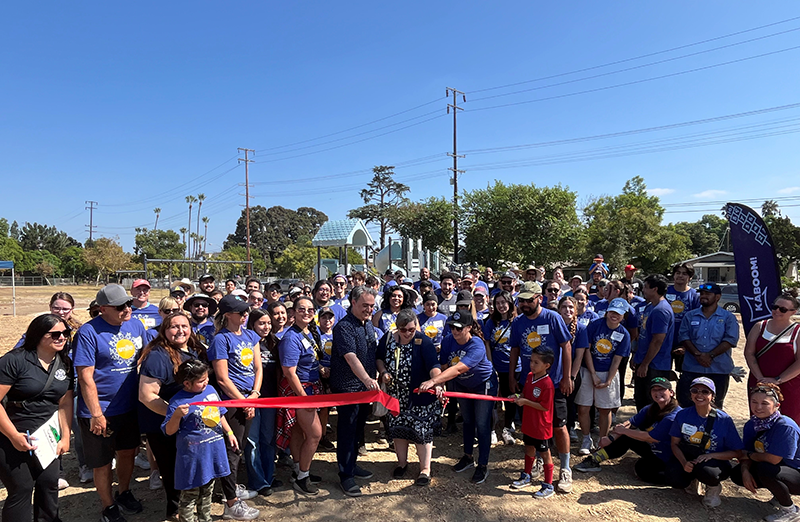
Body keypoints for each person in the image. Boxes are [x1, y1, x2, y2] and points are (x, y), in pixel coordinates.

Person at [73, 284, 147, 522]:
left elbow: (145, 357)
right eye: (120, 307)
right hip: (100, 409)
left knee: (128, 452)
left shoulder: (135, 325)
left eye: (127, 303)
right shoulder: (88, 332)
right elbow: (85, 376)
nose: (127, 309)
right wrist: (96, 413)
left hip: (129, 406)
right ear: (102, 309)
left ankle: (123, 492)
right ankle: (108, 506)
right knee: (103, 462)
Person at [0, 314, 74, 522]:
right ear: (38, 335)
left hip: (48, 436)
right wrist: (14, 436)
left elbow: (65, 402)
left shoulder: (64, 363)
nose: (62, 338)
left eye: (65, 333)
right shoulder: (14, 360)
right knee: (21, 488)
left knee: (49, 483)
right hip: (12, 434)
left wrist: (65, 437)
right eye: (55, 334)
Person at [138, 312, 205, 519]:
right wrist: (175, 414)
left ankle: (187, 506)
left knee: (185, 466)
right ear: (164, 331)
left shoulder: (192, 351)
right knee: (172, 469)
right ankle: (175, 510)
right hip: (161, 424)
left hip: (183, 424)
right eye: (174, 327)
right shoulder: (158, 356)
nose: (180, 331)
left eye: (184, 326)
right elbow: (146, 395)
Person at [509, 281, 574, 493]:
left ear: (540, 298)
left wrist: (567, 377)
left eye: (529, 300)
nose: (525, 304)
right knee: (531, 425)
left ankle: (565, 468)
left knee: (558, 425)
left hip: (553, 383)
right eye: (522, 300)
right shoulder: (518, 322)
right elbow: (515, 350)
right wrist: (512, 376)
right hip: (529, 383)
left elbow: (566, 346)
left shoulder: (553, 317)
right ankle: (535, 462)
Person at [162, 360, 247, 522]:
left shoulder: (210, 390)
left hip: (213, 452)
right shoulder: (177, 401)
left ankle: (205, 519)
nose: (206, 382)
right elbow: (169, 431)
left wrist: (229, 432)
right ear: (187, 383)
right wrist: (177, 415)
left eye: (207, 378)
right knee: (190, 494)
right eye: (201, 381)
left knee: (208, 490)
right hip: (193, 456)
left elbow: (219, 413)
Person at [420, 311, 495, 485]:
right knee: (468, 421)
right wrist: (440, 385)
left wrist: (433, 381)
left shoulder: (477, 344)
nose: (454, 331)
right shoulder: (447, 341)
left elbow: (459, 368)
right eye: (452, 327)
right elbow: (444, 365)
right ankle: (468, 457)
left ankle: (483, 464)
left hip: (483, 384)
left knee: (482, 424)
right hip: (462, 385)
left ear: (469, 328)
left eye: (459, 328)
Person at [206, 295, 261, 517]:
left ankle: (232, 485)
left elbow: (258, 367)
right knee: (232, 450)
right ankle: (231, 503)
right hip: (231, 402)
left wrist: (255, 394)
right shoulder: (221, 340)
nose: (245, 315)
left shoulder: (251, 335)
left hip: (249, 399)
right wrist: (243, 400)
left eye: (246, 311)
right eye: (241, 312)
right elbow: (222, 378)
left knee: (240, 446)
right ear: (228, 314)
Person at [376, 309, 442, 486]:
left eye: (411, 329)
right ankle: (402, 463)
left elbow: (434, 365)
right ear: (397, 328)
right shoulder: (388, 338)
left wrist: (436, 381)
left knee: (422, 433)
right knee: (398, 429)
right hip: (396, 395)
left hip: (419, 395)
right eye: (403, 330)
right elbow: (379, 358)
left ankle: (425, 469)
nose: (407, 333)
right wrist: (383, 372)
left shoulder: (423, 341)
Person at [575, 376, 681, 485]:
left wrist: (623, 431)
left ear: (671, 393)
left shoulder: (673, 416)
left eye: (662, 389)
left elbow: (650, 437)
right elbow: (630, 423)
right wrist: (611, 438)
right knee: (627, 437)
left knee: (642, 470)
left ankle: (672, 477)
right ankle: (595, 459)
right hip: (654, 450)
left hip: (670, 457)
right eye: (654, 390)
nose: (658, 392)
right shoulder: (650, 408)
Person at [330, 285, 380, 497]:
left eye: (371, 306)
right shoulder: (344, 327)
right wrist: (368, 379)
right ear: (353, 303)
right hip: (348, 388)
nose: (369, 309)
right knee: (347, 430)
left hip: (365, 389)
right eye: (364, 306)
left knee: (359, 428)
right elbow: (351, 358)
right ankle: (345, 474)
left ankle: (352, 464)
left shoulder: (367, 324)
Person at [666, 377, 743, 508]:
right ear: (690, 394)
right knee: (674, 477)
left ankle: (713, 488)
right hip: (690, 456)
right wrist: (684, 462)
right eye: (695, 391)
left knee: (708, 473)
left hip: (715, 461)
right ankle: (692, 481)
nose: (699, 395)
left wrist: (711, 456)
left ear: (713, 396)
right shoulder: (683, 414)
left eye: (705, 392)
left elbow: (737, 452)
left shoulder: (724, 419)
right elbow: (674, 443)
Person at [731, 383, 800, 521]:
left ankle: (791, 510)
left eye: (764, 403)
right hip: (777, 467)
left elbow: (773, 459)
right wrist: (745, 470)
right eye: (754, 402)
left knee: (766, 469)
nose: (758, 407)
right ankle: (779, 496)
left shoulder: (785, 426)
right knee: (737, 473)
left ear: (776, 406)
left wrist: (749, 456)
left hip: (796, 472)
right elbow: (746, 451)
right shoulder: (752, 424)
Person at [276, 296, 323, 496]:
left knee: (297, 432)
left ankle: (298, 469)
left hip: (310, 387)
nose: (307, 313)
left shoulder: (308, 332)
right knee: (315, 434)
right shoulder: (290, 337)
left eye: (311, 310)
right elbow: (289, 371)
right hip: (300, 390)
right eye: (302, 309)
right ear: (293, 313)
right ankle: (303, 477)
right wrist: (304, 397)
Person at [576, 299, 631, 455]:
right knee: (583, 407)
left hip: (609, 373)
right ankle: (586, 439)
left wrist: (608, 380)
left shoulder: (624, 334)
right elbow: (587, 349)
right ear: (607, 311)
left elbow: (617, 360)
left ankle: (602, 439)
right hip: (588, 370)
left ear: (623, 316)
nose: (614, 316)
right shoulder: (595, 325)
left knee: (605, 409)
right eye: (612, 312)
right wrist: (593, 374)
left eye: (619, 314)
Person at [677, 282, 739, 409]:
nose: (704, 296)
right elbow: (684, 337)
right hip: (692, 368)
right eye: (702, 294)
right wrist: (697, 355)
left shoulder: (728, 317)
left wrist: (710, 355)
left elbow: (730, 339)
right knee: (686, 404)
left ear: (717, 297)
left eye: (708, 294)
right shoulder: (690, 316)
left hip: (718, 370)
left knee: (714, 407)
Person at [745, 290, 800, 424]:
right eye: (775, 307)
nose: (777, 311)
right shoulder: (760, 326)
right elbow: (749, 353)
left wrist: (778, 380)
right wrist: (760, 378)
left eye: (783, 309)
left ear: (793, 312)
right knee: (759, 415)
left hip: (788, 385)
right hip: (759, 382)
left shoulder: (797, 331)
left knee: (788, 420)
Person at [244, 309, 283, 497]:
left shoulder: (274, 343)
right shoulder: (245, 343)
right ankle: (257, 481)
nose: (266, 327)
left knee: (268, 439)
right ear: (252, 324)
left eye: (268, 323)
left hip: (270, 398)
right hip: (250, 398)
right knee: (252, 441)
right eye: (261, 323)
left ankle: (269, 476)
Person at [510, 348, 556, 499]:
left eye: (536, 362)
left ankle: (548, 485)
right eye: (531, 361)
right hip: (529, 423)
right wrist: (517, 397)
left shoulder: (547, 384)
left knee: (544, 453)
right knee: (528, 448)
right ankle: (527, 475)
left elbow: (544, 406)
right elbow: (525, 394)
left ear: (546, 365)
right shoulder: (530, 377)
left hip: (541, 426)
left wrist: (525, 402)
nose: (532, 365)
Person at [632, 274, 675, 412]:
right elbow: (644, 335)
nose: (643, 290)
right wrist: (637, 357)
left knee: (652, 401)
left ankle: (651, 431)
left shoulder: (661, 310)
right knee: (640, 399)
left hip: (655, 365)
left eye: (645, 287)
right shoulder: (651, 307)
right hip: (644, 360)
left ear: (655, 289)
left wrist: (645, 364)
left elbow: (657, 341)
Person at [484, 290, 519, 446]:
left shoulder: (517, 321)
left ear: (510, 303)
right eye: (497, 303)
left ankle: (507, 428)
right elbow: (487, 344)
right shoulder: (490, 322)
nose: (501, 306)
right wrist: (491, 366)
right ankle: (491, 429)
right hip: (497, 366)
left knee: (511, 399)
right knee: (493, 400)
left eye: (504, 302)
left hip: (515, 367)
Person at [557, 296, 589, 447]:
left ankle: (570, 428)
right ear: (559, 309)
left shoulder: (581, 328)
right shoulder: (554, 324)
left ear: (576, 310)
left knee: (570, 404)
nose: (567, 310)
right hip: (556, 372)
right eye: (564, 307)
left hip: (572, 373)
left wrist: (571, 377)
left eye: (571, 307)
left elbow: (580, 356)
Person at [667, 263, 700, 372]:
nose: (680, 276)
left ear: (690, 277)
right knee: (662, 375)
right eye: (678, 273)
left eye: (684, 273)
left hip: (685, 342)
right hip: (665, 340)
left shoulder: (695, 295)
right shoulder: (665, 292)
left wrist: (687, 346)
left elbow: (697, 321)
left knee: (684, 375)